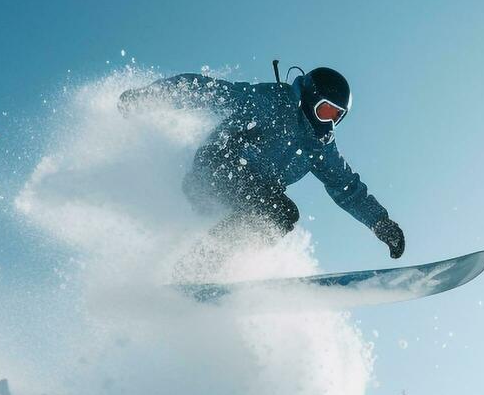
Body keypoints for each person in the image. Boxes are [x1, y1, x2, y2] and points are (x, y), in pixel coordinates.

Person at [119, 66, 405, 261]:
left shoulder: (319, 147)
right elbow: (210, 91)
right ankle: (201, 261)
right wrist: (148, 97)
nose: (328, 121)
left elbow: (346, 187)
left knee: (281, 217)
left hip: (245, 195)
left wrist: (380, 223)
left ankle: (210, 263)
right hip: (217, 167)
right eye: (326, 110)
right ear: (311, 98)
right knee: (277, 210)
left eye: (336, 116)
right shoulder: (273, 102)